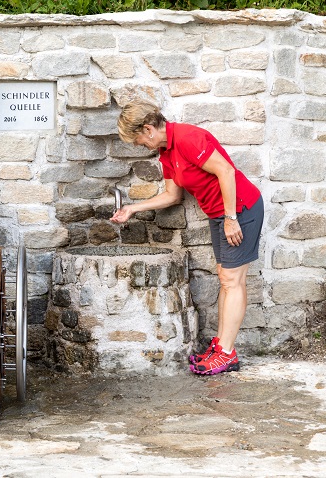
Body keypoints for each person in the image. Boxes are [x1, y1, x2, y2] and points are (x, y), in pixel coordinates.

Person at [111, 100, 263, 376]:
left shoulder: (188, 138)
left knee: (232, 279)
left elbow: (226, 171)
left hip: (240, 209)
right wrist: (132, 208)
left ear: (148, 129)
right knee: (225, 277)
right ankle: (221, 346)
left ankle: (227, 354)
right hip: (221, 214)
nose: (137, 146)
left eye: (137, 140)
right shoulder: (166, 153)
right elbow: (173, 195)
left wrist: (231, 218)